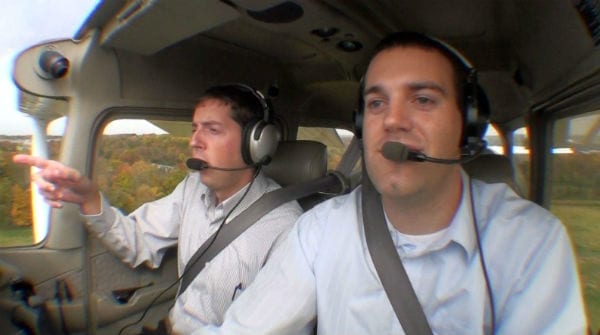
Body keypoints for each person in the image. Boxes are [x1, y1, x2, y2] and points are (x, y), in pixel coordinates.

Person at [195, 32, 587, 335]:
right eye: (377, 103)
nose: (392, 120)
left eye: (423, 100)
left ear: (466, 127)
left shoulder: (530, 242)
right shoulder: (319, 231)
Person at [13, 84, 303, 334]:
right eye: (194, 129)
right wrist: (89, 198)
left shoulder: (287, 226)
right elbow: (138, 240)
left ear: (256, 144)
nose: (194, 142)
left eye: (212, 130)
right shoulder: (192, 189)